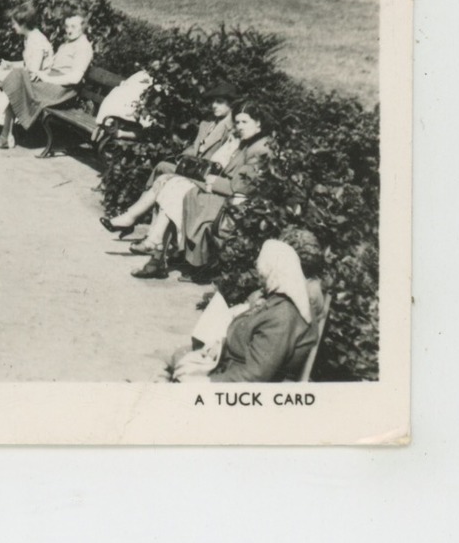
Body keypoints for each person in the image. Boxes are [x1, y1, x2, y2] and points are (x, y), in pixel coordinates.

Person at [130, 104, 273, 281]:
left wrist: (214, 182)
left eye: (245, 122)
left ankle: (156, 253)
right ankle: (156, 251)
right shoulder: (247, 143)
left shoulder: (261, 149)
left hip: (235, 202)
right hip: (222, 193)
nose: (240, 126)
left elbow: (241, 186)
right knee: (173, 186)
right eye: (237, 122)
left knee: (177, 189)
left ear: (258, 123)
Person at [172, 239, 320, 383]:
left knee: (174, 366)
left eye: (262, 275)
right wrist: (221, 347)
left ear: (274, 275)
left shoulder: (282, 317)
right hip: (230, 362)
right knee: (177, 359)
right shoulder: (282, 301)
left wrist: (206, 382)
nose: (259, 280)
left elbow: (254, 376)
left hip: (236, 378)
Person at [102, 81, 239, 235]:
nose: (214, 105)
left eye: (220, 102)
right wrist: (183, 158)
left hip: (206, 175)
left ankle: (132, 218)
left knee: (164, 173)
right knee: (162, 166)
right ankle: (134, 217)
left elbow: (224, 159)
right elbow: (194, 148)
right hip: (193, 168)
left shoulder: (232, 129)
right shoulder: (207, 123)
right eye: (213, 101)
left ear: (231, 105)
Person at [0, 13, 93, 149]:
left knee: (18, 79)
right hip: (53, 83)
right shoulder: (68, 43)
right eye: (67, 26)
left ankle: (4, 135)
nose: (69, 30)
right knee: (18, 81)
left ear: (83, 26)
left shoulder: (84, 47)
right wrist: (41, 74)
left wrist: (47, 78)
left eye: (74, 26)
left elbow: (75, 78)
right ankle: (5, 135)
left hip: (64, 90)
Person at [0, 3, 53, 143]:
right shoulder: (30, 37)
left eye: (14, 23)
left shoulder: (37, 41)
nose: (12, 26)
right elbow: (28, 65)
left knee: (0, 80)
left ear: (24, 23)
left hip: (39, 85)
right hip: (30, 80)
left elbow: (33, 72)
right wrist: (11, 64)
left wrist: (11, 71)